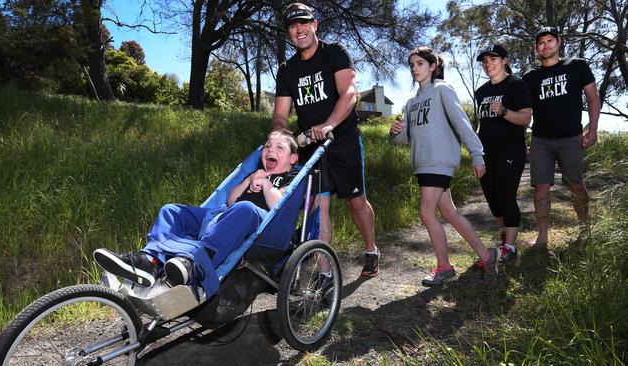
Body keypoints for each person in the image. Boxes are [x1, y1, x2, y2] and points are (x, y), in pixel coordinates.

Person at [93, 130, 299, 295]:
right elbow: (230, 200)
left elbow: (278, 204)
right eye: (267, 146)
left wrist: (265, 184)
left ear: (293, 158)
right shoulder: (256, 173)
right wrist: (249, 179)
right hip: (221, 216)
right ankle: (150, 261)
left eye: (280, 148)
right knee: (171, 210)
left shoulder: (291, 176)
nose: (271, 150)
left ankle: (194, 265)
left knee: (245, 208)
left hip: (256, 224)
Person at [272, 2, 379, 277]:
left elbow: (350, 92)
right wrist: (281, 139)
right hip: (311, 146)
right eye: (293, 26)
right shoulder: (287, 70)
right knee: (319, 206)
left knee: (356, 201)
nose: (299, 30)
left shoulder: (334, 53)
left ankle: (371, 249)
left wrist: (330, 123)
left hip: (342, 140)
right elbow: (281, 115)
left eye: (304, 23)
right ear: (289, 33)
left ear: (315, 25)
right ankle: (325, 273)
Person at [390, 46, 499, 286]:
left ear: (432, 66)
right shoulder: (411, 102)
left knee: (426, 213)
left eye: (420, 63)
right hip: (423, 163)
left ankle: (444, 267)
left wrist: (477, 153)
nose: (414, 69)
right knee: (449, 212)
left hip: (439, 161)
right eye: (411, 65)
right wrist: (395, 132)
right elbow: (404, 139)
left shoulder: (442, 90)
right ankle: (487, 255)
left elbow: (462, 124)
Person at [522, 27, 600, 246]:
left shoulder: (577, 66)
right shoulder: (530, 77)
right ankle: (542, 236)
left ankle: (585, 228)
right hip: (541, 140)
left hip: (571, 138)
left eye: (550, 41)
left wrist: (592, 129)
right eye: (541, 43)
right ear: (536, 48)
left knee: (576, 183)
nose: (545, 46)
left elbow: (593, 97)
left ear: (559, 42)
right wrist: (522, 139)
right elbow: (525, 112)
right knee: (540, 187)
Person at [475, 44, 532, 262]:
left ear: (505, 60)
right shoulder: (481, 92)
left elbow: (526, 119)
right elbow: (482, 124)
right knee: (492, 198)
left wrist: (505, 111)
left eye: (493, 59)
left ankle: (510, 245)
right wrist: (475, 151)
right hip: (486, 151)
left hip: (511, 149)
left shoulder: (517, 85)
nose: (488, 63)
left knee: (506, 195)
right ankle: (505, 233)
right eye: (485, 61)